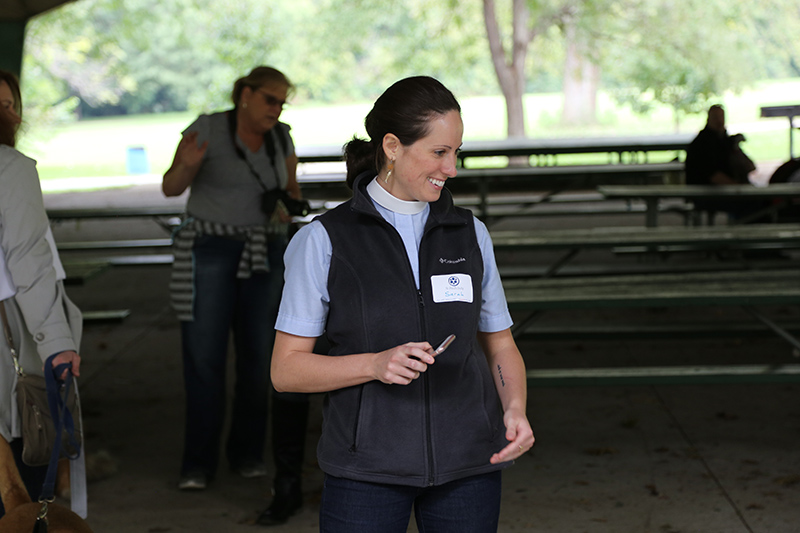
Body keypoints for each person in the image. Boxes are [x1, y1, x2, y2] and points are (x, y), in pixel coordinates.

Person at [270, 76, 535, 532]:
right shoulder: (323, 240)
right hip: (366, 471)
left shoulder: (470, 233)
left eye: (457, 151)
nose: (452, 168)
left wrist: (515, 408)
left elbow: (500, 343)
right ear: (392, 146)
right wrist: (374, 365)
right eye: (439, 152)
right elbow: (286, 371)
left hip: (469, 461)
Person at [162, 66, 310, 524]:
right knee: (204, 356)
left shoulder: (281, 138)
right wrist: (187, 164)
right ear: (244, 95)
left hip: (263, 249)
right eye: (270, 99)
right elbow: (171, 187)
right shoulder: (206, 128)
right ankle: (198, 463)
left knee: (260, 357)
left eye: (282, 102)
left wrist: (287, 211)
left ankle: (246, 454)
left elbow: (291, 192)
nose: (276, 109)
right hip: (209, 248)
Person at [0, 70, 83, 516]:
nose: (12, 115)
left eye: (14, 104)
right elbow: (28, 260)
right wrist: (58, 343)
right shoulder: (10, 169)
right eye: (4, 107)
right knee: (21, 479)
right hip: (11, 334)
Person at [685, 104, 760, 223]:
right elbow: (713, 175)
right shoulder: (702, 144)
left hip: (722, 191)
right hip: (706, 193)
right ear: (708, 119)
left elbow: (750, 167)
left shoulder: (725, 141)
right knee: (753, 204)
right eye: (715, 117)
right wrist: (739, 188)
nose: (719, 121)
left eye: (721, 117)